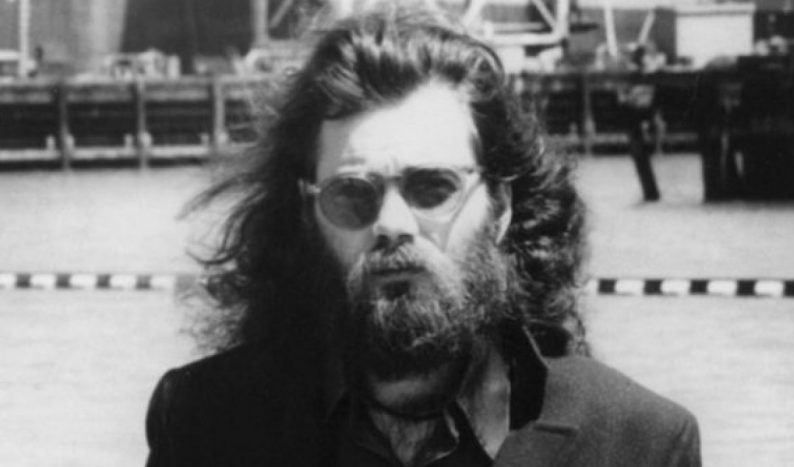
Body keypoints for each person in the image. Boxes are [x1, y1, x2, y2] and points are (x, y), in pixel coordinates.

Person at [145, 5, 700, 467]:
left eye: (432, 187)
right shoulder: (202, 424)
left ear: (501, 206)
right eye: (352, 194)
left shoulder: (641, 445)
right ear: (307, 215)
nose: (392, 223)